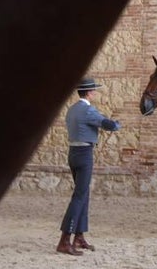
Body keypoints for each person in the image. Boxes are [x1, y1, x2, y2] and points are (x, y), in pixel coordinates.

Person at [56, 77, 120, 256]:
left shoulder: (72, 110)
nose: (95, 92)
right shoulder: (88, 110)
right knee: (79, 196)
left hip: (73, 154)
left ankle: (79, 236)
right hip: (84, 156)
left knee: (83, 194)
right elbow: (107, 124)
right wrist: (116, 124)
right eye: (94, 90)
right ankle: (64, 240)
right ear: (90, 92)